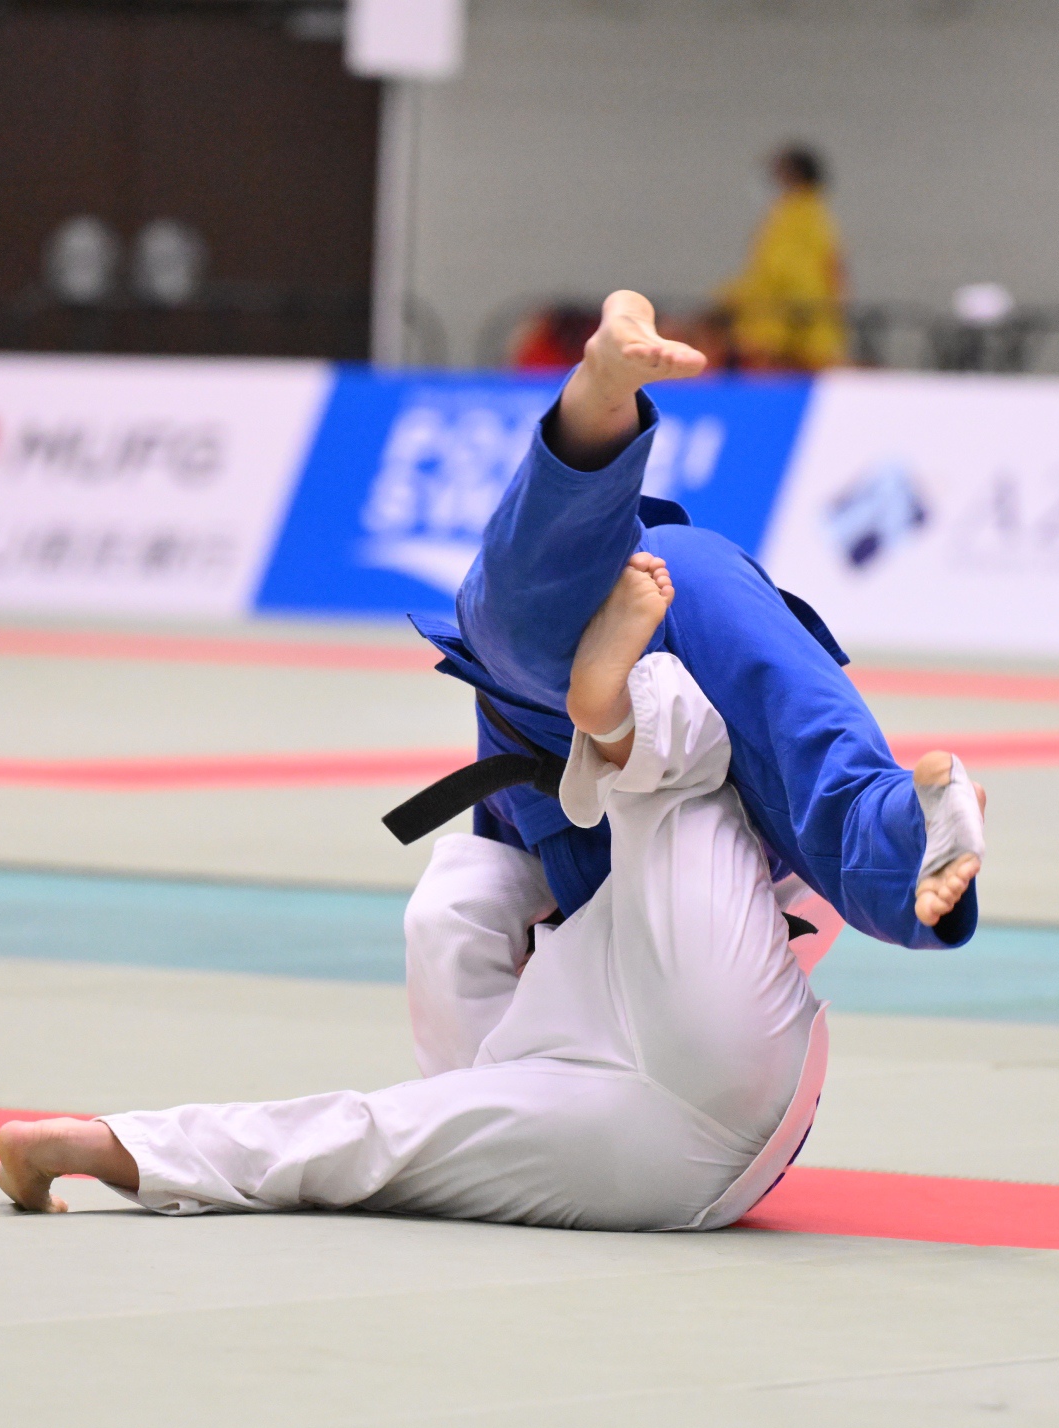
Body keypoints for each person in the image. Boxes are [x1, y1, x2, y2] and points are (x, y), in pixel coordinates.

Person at [0, 558, 987, 1227]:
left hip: (639, 1102)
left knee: (461, 923)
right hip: (695, 1085)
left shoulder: (703, 589)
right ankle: (620, 717)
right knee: (547, 854)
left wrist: (110, 1146)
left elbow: (343, 1144)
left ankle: (624, 720)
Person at [404, 290, 986, 962]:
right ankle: (907, 834)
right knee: (533, 635)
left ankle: (905, 833)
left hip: (601, 695)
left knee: (537, 647)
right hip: (667, 607)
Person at [720, 144, 849, 370]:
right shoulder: (785, 211)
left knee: (808, 363)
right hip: (777, 303)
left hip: (801, 305)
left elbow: (831, 261)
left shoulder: (811, 213)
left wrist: (834, 305)